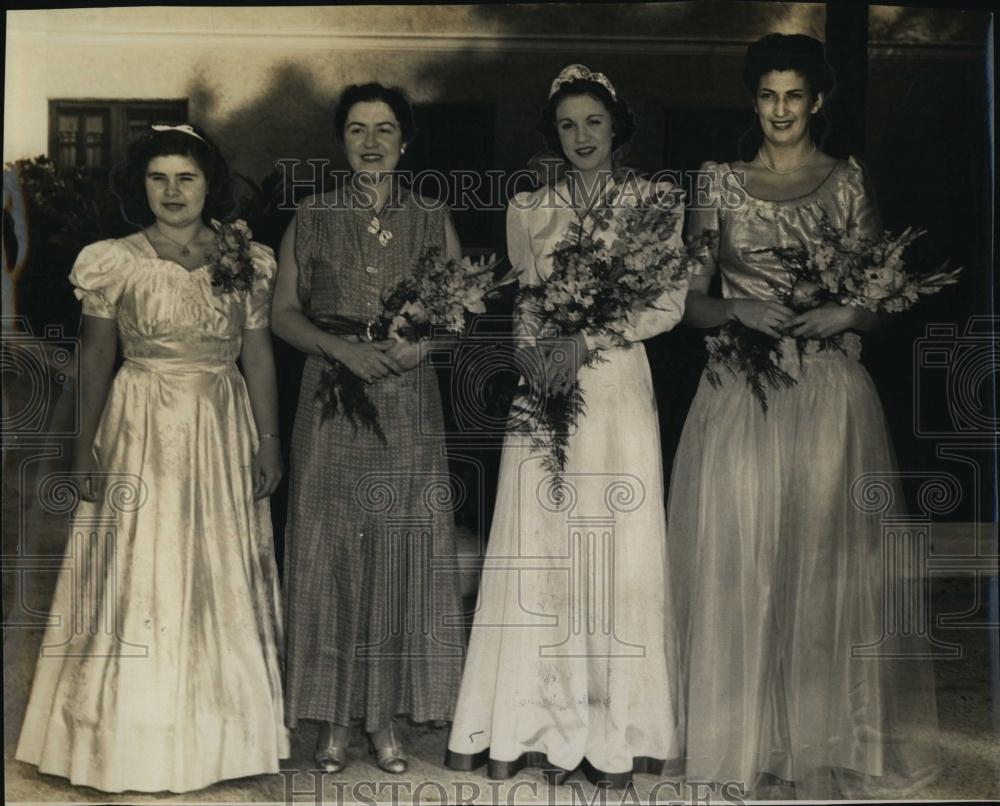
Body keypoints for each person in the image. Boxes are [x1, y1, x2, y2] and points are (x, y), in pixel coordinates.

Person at [667, 33, 940, 799]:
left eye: (794, 95)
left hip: (824, 393)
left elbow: (881, 304)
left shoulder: (846, 181)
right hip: (738, 392)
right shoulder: (716, 182)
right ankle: (739, 739)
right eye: (766, 95)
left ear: (816, 101)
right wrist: (740, 307)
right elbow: (690, 305)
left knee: (821, 568)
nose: (780, 110)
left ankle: (816, 743)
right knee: (740, 564)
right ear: (751, 101)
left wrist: (841, 313)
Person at [15, 124, 288, 792]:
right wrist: (83, 451)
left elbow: (257, 355)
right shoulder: (115, 259)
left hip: (220, 425)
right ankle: (126, 740)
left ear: (207, 185)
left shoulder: (244, 257)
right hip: (139, 423)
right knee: (139, 563)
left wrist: (269, 439)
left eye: (185, 178)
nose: (172, 191)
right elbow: (97, 356)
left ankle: (221, 739)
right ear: (142, 186)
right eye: (158, 178)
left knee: (215, 563)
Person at [445, 65, 687, 789]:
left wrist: (587, 342)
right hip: (545, 386)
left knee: (616, 545)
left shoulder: (654, 201)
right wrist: (531, 355)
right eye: (567, 125)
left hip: (614, 387)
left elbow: (668, 302)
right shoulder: (529, 205)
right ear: (552, 133)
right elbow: (525, 298)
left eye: (593, 123)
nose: (580, 137)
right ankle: (540, 726)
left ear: (617, 126)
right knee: (545, 540)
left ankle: (618, 733)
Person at [272, 83, 466, 775]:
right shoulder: (313, 213)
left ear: (405, 140)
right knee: (329, 553)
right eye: (358, 130)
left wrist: (422, 347)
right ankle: (329, 722)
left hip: (408, 401)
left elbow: (457, 309)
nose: (372, 142)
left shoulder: (430, 214)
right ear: (342, 140)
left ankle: (382, 720)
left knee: (395, 552)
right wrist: (342, 349)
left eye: (385, 130)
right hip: (330, 399)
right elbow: (283, 312)